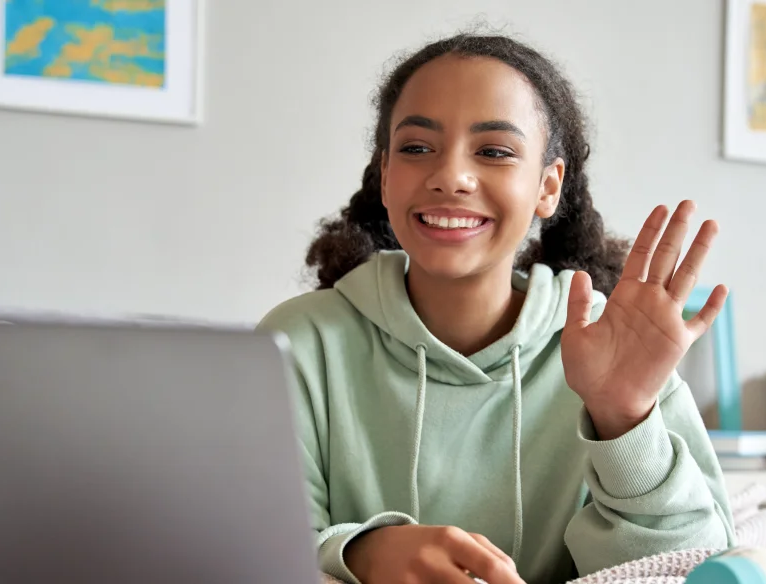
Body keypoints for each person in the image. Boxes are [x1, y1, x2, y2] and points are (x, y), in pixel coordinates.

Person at [257, 31, 735, 584]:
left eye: (494, 151)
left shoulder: (610, 347)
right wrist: (360, 552)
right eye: (416, 148)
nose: (450, 176)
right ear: (385, 175)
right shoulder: (297, 342)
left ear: (547, 187)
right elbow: (238, 546)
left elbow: (698, 569)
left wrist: (624, 420)